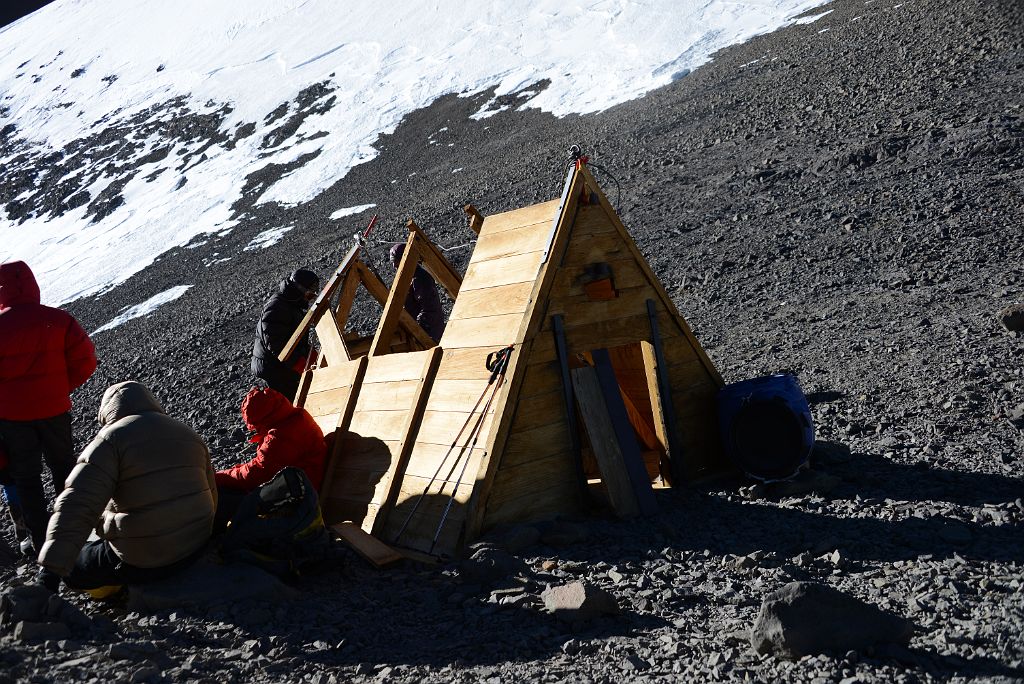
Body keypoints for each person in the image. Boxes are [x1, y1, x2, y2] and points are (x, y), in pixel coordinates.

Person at [38, 381, 216, 591]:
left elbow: (77, 504)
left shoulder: (109, 441)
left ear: (107, 412)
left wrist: (50, 571)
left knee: (75, 570)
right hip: (196, 548)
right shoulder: (188, 433)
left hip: (143, 562)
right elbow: (212, 494)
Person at [0, 260, 96, 556]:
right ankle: (74, 532)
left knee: (26, 479)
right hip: (54, 409)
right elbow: (86, 361)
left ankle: (42, 544)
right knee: (64, 470)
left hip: (13, 418)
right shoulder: (59, 320)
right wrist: (59, 389)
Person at [214, 386, 327, 528]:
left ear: (262, 419)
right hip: (301, 486)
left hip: (298, 499)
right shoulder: (294, 417)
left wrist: (217, 477)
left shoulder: (279, 437)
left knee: (222, 498)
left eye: (255, 426)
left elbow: (255, 474)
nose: (254, 429)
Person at [252, 268, 320, 401]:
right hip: (274, 367)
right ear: (299, 290)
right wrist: (299, 364)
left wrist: (308, 354)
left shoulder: (291, 303)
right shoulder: (277, 307)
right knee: (292, 402)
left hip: (282, 364)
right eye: (309, 294)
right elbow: (276, 344)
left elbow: (292, 338)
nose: (310, 299)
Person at [389, 244, 445, 342]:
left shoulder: (420, 279)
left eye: (396, 261)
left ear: (405, 260)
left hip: (429, 333)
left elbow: (429, 309)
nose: (394, 266)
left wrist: (415, 328)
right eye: (392, 262)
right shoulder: (407, 278)